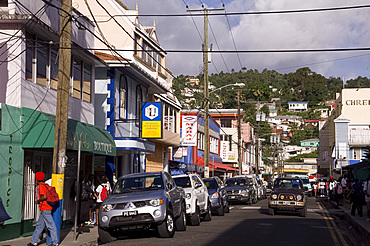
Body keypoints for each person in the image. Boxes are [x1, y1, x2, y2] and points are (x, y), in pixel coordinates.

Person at [28, 172, 59, 246]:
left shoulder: (41, 186)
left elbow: (44, 196)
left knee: (51, 226)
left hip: (45, 208)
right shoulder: (46, 185)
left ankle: (55, 242)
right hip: (45, 208)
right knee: (39, 225)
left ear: (37, 179)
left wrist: (38, 201)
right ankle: (34, 241)